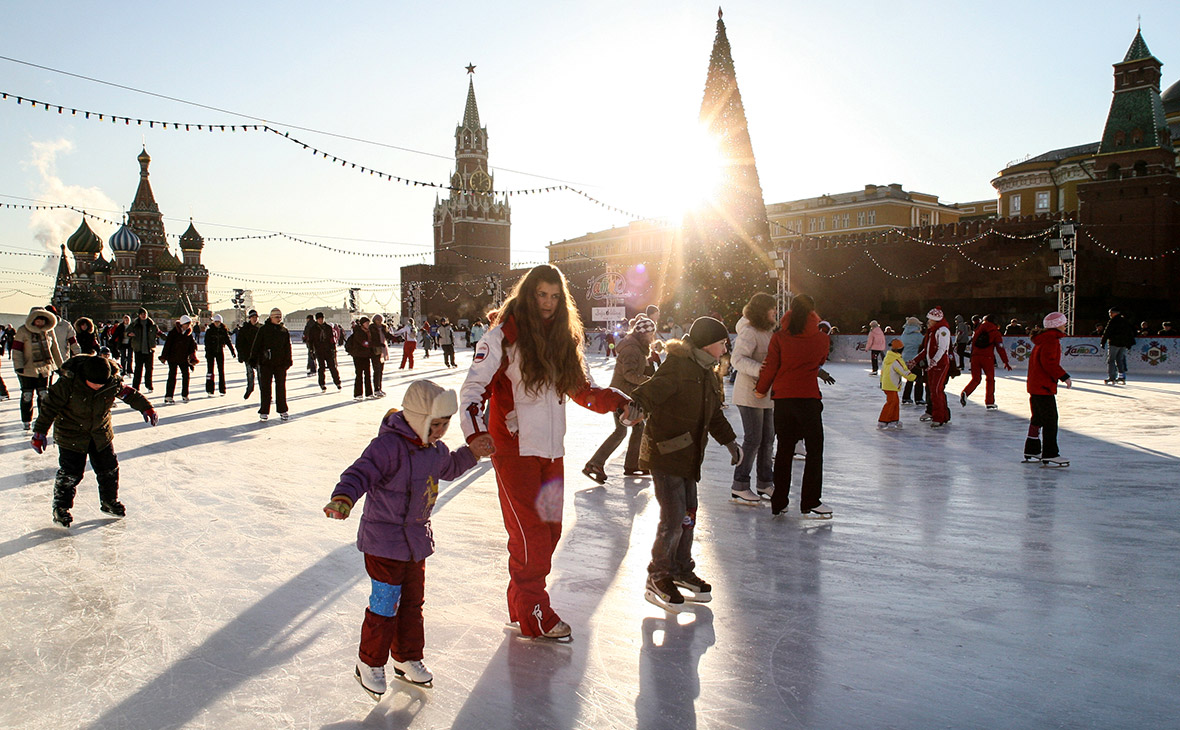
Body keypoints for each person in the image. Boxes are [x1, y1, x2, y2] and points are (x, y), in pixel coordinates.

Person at [458, 264, 631, 640]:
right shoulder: (503, 335)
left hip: (551, 454)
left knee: (549, 533)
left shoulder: (562, 339)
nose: (548, 303)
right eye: (541, 295)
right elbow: (473, 389)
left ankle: (519, 604)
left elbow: (582, 390)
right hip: (515, 452)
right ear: (528, 294)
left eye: (555, 296)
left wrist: (616, 400)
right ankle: (536, 614)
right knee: (530, 536)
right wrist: (475, 434)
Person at [325, 379, 494, 698]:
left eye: (444, 426)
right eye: (435, 425)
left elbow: (452, 465)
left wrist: (472, 452)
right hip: (382, 542)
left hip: (415, 543)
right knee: (385, 604)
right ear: (418, 419)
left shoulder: (433, 451)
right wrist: (343, 498)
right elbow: (359, 473)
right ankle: (369, 663)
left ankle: (406, 658)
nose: (440, 432)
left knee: (413, 604)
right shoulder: (386, 448)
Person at [630, 316, 740, 612]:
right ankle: (659, 574)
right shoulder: (679, 365)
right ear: (707, 344)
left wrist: (730, 441)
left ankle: (680, 568)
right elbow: (652, 390)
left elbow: (713, 414)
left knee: (688, 515)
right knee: (674, 517)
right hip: (665, 454)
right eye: (722, 343)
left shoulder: (706, 371)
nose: (725, 347)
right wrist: (636, 406)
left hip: (689, 455)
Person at [31, 354, 158, 526]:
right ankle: (61, 508)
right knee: (71, 473)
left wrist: (146, 407)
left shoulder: (111, 382)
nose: (98, 387)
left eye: (102, 384)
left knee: (109, 469)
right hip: (71, 434)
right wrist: (39, 433)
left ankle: (109, 502)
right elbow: (49, 408)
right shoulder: (67, 384)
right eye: (95, 384)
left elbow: (130, 394)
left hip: (100, 433)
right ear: (85, 377)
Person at [753, 293, 833, 519]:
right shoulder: (821, 339)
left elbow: (770, 366)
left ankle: (779, 501)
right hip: (808, 399)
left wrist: (761, 389)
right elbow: (820, 361)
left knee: (784, 451)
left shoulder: (779, 337)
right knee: (814, 452)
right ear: (813, 313)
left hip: (784, 400)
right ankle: (810, 501)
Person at [583, 315, 656, 483]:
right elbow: (629, 374)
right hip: (621, 397)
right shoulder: (632, 349)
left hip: (627, 396)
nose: (652, 337)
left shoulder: (637, 347)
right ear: (642, 334)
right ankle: (596, 464)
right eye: (650, 334)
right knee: (622, 431)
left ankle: (631, 465)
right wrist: (649, 381)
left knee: (636, 428)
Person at [729, 293, 777, 503]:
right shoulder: (748, 331)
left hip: (766, 393)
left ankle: (765, 483)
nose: (775, 312)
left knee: (768, 439)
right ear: (761, 310)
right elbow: (737, 359)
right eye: (771, 308)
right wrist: (761, 370)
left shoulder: (768, 331)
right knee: (753, 439)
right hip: (749, 393)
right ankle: (740, 484)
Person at [1023, 313, 1072, 467]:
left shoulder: (1042, 339)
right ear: (1057, 325)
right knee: (1051, 420)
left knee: (1037, 418)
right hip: (1043, 386)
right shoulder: (1052, 340)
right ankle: (1050, 453)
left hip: (1035, 384)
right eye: (1063, 323)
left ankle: (1032, 448)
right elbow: (1049, 362)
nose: (1065, 326)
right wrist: (1064, 376)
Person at [12, 307, 64, 430]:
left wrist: (60, 366)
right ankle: (26, 420)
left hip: (44, 369)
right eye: (37, 320)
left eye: (42, 320)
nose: (40, 323)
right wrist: (18, 366)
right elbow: (17, 350)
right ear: (32, 319)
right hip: (27, 369)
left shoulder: (49, 331)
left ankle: (42, 419)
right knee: (27, 395)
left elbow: (55, 350)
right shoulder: (23, 331)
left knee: (43, 395)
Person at [960, 314, 1012, 410]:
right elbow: (1000, 348)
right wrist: (1006, 362)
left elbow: (973, 344)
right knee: (990, 379)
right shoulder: (995, 332)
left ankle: (966, 392)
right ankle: (989, 402)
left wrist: (972, 357)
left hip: (975, 357)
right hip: (987, 358)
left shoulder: (978, 330)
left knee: (976, 379)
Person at [250, 308, 293, 421]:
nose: (279, 319)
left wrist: (288, 360)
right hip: (266, 363)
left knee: (281, 388)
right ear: (271, 317)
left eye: (280, 317)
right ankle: (264, 411)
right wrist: (253, 359)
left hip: (280, 364)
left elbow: (287, 347)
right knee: (265, 388)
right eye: (276, 317)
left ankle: (282, 410)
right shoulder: (263, 330)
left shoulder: (283, 331)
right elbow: (257, 345)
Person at [917, 307, 952, 428]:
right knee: (935, 391)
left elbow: (942, 348)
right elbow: (926, 350)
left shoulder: (942, 330)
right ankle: (943, 416)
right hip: (933, 365)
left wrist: (934, 361)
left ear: (935, 319)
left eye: (929, 319)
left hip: (940, 365)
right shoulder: (932, 331)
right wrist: (915, 360)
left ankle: (938, 417)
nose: (928, 322)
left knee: (936, 391)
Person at [159, 315, 199, 404]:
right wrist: (164, 356)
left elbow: (191, 348)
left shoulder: (189, 334)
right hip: (172, 357)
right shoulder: (173, 333)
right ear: (182, 324)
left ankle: (185, 394)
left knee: (186, 375)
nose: (188, 326)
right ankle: (169, 396)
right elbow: (167, 345)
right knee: (172, 376)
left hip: (183, 358)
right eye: (186, 324)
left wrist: (192, 358)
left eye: (189, 324)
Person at [878, 338, 916, 429]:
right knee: (891, 402)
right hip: (891, 384)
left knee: (894, 402)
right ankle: (883, 420)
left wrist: (881, 382)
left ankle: (893, 419)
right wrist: (914, 377)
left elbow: (883, 371)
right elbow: (904, 371)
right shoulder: (896, 360)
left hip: (886, 384)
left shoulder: (888, 358)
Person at [1100, 306, 1136, 384]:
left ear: (1114, 313)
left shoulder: (1113, 321)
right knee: (1120, 360)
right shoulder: (1125, 321)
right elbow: (1130, 332)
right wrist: (1129, 343)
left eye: (1110, 313)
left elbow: (1107, 331)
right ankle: (1122, 376)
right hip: (1123, 344)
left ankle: (1112, 377)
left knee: (1111, 360)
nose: (1110, 314)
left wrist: (1103, 342)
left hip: (1114, 343)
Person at [127, 307, 159, 392]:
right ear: (139, 315)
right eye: (142, 314)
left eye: (145, 314)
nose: (144, 315)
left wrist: (167, 338)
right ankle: (135, 386)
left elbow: (158, 332)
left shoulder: (151, 324)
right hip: (139, 349)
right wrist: (129, 334)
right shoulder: (135, 324)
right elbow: (127, 331)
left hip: (149, 349)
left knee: (149, 369)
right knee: (138, 369)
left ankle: (149, 385)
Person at [204, 314, 236, 396]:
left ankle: (222, 389)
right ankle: (210, 389)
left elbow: (228, 341)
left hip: (219, 352)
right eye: (215, 322)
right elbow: (206, 343)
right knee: (210, 371)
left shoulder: (223, 330)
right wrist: (207, 353)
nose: (217, 323)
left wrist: (232, 351)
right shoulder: (210, 330)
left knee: (221, 371)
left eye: (218, 322)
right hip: (211, 353)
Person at [310, 312, 342, 392]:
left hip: (328, 350)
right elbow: (311, 341)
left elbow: (332, 339)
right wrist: (311, 350)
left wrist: (333, 348)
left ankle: (337, 382)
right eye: (319, 319)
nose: (321, 320)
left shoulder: (328, 327)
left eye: (322, 319)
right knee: (322, 367)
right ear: (316, 319)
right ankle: (322, 384)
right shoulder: (313, 329)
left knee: (332, 367)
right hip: (319, 350)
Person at [346, 316, 376, 400]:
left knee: (368, 374)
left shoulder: (368, 332)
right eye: (366, 323)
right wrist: (372, 344)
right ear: (362, 324)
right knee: (359, 374)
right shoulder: (358, 332)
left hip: (366, 355)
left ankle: (369, 393)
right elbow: (364, 343)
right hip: (358, 355)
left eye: (368, 323)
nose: (368, 325)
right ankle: (358, 394)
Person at [899, 317, 925, 405]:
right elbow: (924, 346)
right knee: (919, 379)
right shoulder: (918, 336)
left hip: (905, 359)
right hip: (915, 360)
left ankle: (906, 397)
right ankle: (918, 398)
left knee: (910, 378)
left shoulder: (904, 335)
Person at [236, 310, 262, 400]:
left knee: (261, 375)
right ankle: (250, 389)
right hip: (248, 355)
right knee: (250, 374)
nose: (255, 319)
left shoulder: (261, 328)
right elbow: (239, 343)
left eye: (256, 317)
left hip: (259, 356)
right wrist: (240, 355)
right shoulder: (245, 329)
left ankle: (264, 393)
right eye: (253, 317)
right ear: (250, 318)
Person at [371, 315, 391, 398]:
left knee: (381, 370)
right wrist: (379, 344)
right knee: (377, 370)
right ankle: (376, 389)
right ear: (374, 320)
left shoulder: (383, 328)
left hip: (382, 350)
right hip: (375, 351)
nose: (379, 321)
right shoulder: (372, 328)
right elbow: (372, 340)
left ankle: (380, 388)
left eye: (381, 320)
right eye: (377, 320)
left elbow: (388, 335)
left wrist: (397, 338)